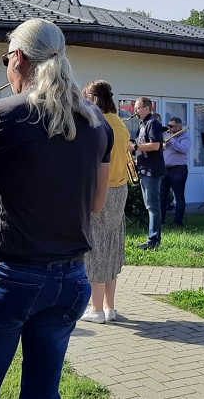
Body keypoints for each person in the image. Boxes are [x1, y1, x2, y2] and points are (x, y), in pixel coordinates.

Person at [0, 18, 112, 398]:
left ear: (18, 58)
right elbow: (97, 202)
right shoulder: (95, 119)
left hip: (12, 277)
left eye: (6, 58)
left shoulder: (0, 114)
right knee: (42, 392)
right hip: (71, 279)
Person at [80, 79, 129, 324]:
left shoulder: (95, 124)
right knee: (112, 245)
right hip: (120, 189)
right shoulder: (119, 123)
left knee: (96, 247)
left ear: (91, 98)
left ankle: (96, 309)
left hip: (101, 188)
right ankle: (110, 307)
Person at [129, 97, 165, 250]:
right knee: (149, 205)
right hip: (145, 169)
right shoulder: (143, 124)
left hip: (152, 171)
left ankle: (154, 240)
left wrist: (135, 148)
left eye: (137, 108)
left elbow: (156, 145)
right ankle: (152, 238)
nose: (135, 111)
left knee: (152, 206)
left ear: (146, 108)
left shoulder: (153, 123)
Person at [159, 117, 191, 227]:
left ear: (178, 126)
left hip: (179, 169)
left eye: (171, 126)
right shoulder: (166, 135)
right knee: (161, 196)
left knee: (179, 197)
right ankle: (160, 220)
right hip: (165, 169)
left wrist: (171, 140)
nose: (169, 128)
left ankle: (177, 223)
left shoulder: (185, 137)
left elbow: (184, 149)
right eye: (169, 126)